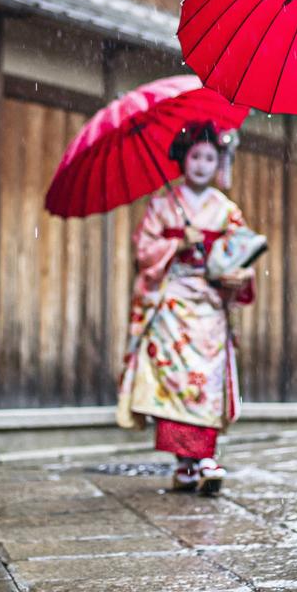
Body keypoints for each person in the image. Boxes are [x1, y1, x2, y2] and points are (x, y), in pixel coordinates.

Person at [116, 121, 256, 495]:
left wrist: (227, 265)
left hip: (208, 302)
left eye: (209, 157)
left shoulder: (226, 209)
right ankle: (184, 464)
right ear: (183, 158)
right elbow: (144, 251)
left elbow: (242, 254)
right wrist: (176, 245)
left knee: (205, 381)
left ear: (218, 162)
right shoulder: (162, 205)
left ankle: (205, 456)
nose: (201, 164)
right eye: (195, 155)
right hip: (172, 302)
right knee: (175, 381)